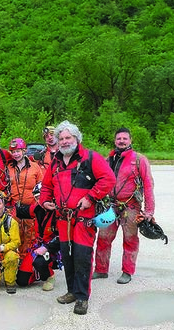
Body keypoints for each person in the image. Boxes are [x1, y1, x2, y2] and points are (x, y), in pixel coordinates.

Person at [39, 120, 115, 315]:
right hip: (63, 219)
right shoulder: (55, 161)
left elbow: (109, 179)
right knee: (68, 257)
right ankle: (71, 291)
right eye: (61, 138)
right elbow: (46, 186)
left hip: (83, 219)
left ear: (76, 138)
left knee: (82, 257)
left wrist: (90, 197)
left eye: (68, 138)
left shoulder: (90, 158)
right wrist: (45, 200)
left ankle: (82, 297)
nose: (64, 142)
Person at [93, 127, 155, 284]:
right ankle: (101, 270)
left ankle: (127, 271)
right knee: (103, 238)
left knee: (130, 239)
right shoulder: (108, 160)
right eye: (118, 138)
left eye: (124, 139)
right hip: (111, 206)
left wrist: (149, 211)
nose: (121, 141)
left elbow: (148, 185)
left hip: (131, 206)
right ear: (115, 141)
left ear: (130, 141)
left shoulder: (140, 160)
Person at [6, 138, 45, 261]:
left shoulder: (35, 167)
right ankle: (13, 261)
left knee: (30, 236)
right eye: (13, 152)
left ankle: (26, 261)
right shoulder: (8, 168)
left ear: (24, 151)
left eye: (18, 151)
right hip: (13, 207)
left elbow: (41, 186)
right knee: (14, 235)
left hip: (31, 207)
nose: (16, 154)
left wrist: (39, 205)